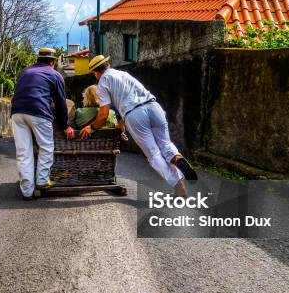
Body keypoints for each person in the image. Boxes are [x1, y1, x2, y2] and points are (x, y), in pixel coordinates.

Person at [79, 55, 197, 196]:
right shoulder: (124, 74)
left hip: (135, 114)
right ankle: (177, 157)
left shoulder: (102, 83)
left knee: (153, 155)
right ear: (108, 65)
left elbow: (103, 114)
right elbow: (130, 98)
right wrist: (122, 123)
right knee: (166, 144)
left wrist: (91, 128)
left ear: (96, 73)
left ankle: (179, 186)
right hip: (153, 106)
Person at [11, 48, 75, 200]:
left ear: (38, 59)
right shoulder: (55, 75)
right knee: (46, 146)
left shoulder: (25, 72)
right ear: (53, 62)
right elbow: (60, 103)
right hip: (39, 112)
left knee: (23, 152)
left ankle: (27, 191)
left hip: (17, 112)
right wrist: (65, 126)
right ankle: (42, 181)